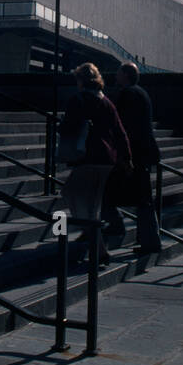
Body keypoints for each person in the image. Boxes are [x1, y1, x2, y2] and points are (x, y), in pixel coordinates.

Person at [58, 62, 132, 265]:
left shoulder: (78, 99)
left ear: (81, 80)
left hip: (87, 157)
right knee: (93, 205)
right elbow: (120, 132)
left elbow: (69, 127)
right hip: (107, 159)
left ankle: (92, 240)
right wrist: (126, 158)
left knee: (71, 194)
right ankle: (98, 249)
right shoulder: (107, 102)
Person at [106, 61, 162, 254]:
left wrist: (123, 154)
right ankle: (148, 239)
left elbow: (124, 127)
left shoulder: (128, 95)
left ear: (126, 76)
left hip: (135, 154)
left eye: (118, 73)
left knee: (135, 197)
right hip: (144, 153)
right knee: (143, 198)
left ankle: (120, 228)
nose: (115, 76)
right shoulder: (141, 93)